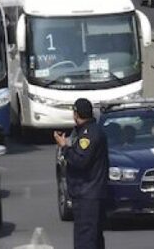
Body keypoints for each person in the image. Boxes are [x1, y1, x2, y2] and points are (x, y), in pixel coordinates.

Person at [54, 98, 109, 249]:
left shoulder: (89, 134)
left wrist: (64, 147)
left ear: (76, 114)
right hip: (90, 194)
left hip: (88, 195)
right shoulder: (87, 131)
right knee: (93, 238)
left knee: (85, 240)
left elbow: (80, 160)